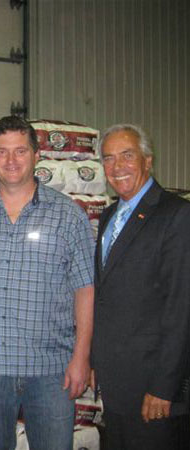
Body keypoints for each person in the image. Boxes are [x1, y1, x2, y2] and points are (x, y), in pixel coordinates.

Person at [0, 116, 95, 450]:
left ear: (36, 155)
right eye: (2, 152)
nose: (11, 160)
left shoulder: (67, 215)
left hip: (51, 371)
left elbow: (85, 289)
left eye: (20, 151)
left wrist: (82, 356)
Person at [91, 124, 190, 450]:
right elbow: (104, 297)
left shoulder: (176, 215)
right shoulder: (108, 217)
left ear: (148, 161)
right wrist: (96, 360)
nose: (117, 167)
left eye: (127, 155)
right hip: (116, 381)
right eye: (108, 158)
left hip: (152, 387)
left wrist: (164, 387)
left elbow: (181, 307)